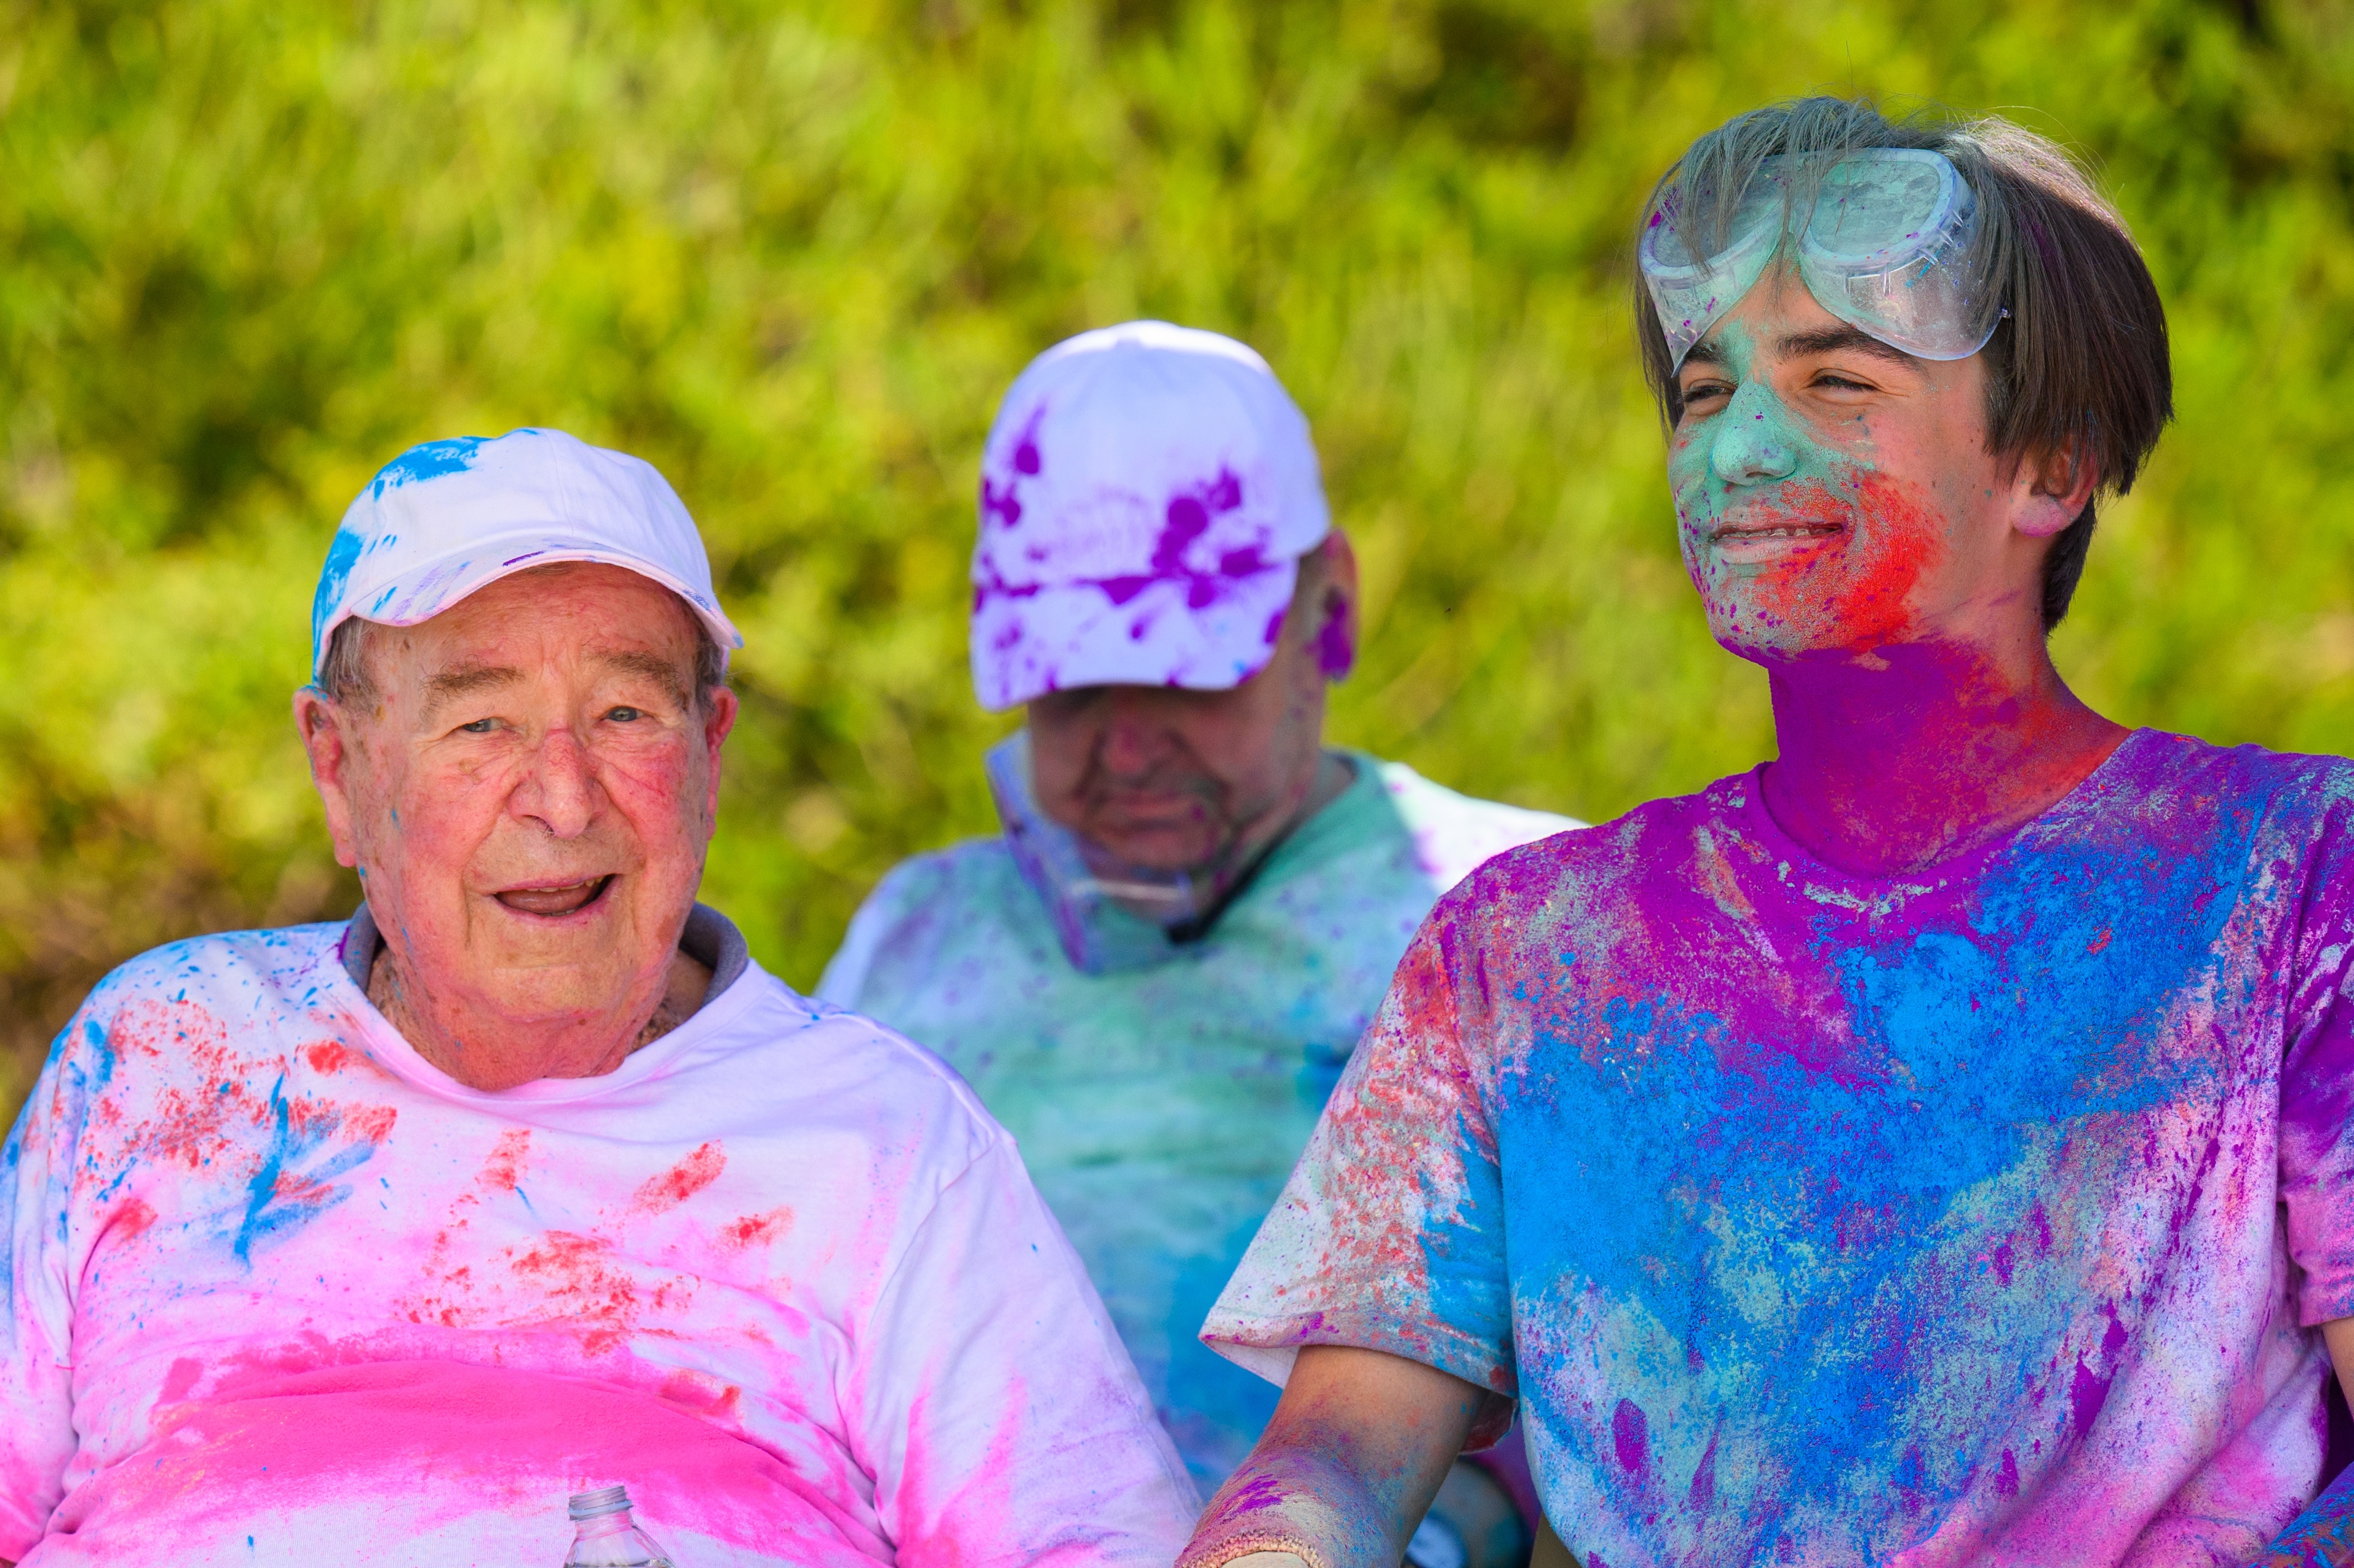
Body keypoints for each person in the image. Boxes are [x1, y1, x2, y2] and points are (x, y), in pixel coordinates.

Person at [1176, 98, 2354, 1568]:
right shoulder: (1529, 948)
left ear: (2050, 467)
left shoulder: (2295, 882)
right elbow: (1338, 1462)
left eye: (1839, 379)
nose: (1735, 455)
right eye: (1704, 391)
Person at [0, 428, 1195, 1566]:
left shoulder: (884, 1142)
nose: (563, 800)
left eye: (626, 714)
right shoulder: (162, 1052)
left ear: (710, 756)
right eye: (481, 723)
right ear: (342, 771)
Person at [819, 322, 1578, 1564]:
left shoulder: (1513, 915)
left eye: (1183, 681)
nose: (1126, 751)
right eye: (1069, 691)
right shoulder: (919, 933)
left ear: (1327, 613)